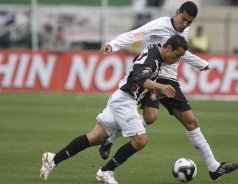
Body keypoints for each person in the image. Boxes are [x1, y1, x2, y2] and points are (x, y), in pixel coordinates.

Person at [99, 1, 238, 181]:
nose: (185, 24)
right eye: (183, 19)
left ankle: (214, 167)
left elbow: (182, 53)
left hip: (170, 81)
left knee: (186, 121)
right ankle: (108, 144)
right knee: (153, 118)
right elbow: (137, 34)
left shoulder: (184, 31)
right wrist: (113, 44)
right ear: (177, 12)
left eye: (189, 22)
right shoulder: (160, 24)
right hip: (154, 79)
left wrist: (203, 65)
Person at [39, 35, 188, 184]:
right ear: (168, 49)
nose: (177, 60)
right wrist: (161, 87)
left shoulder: (157, 54)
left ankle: (53, 159)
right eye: (177, 56)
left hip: (122, 98)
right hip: (125, 101)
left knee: (95, 137)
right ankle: (106, 171)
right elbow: (140, 79)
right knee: (140, 141)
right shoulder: (152, 58)